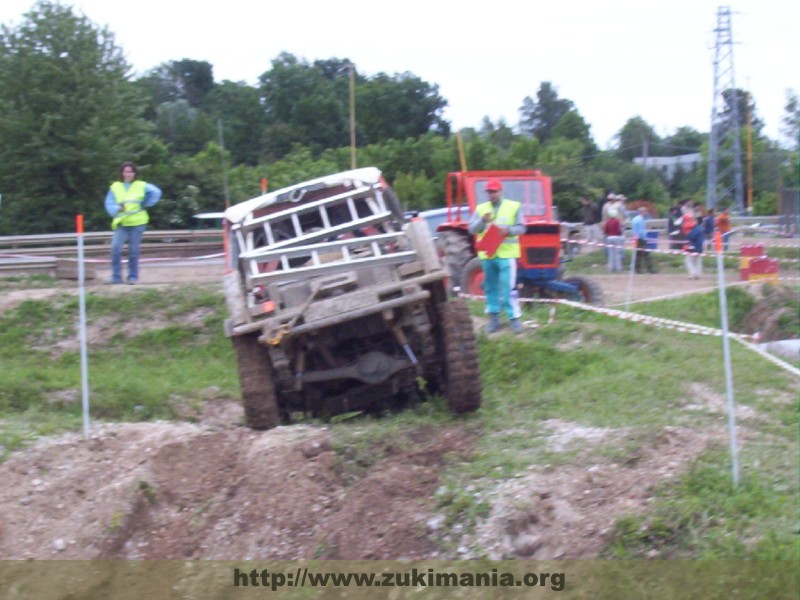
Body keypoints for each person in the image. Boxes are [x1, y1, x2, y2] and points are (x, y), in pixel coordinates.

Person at [468, 179, 525, 334]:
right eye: (489, 192)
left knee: (508, 288)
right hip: (488, 255)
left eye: (494, 191)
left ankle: (514, 319)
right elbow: (472, 229)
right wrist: (482, 220)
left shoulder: (513, 206)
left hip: (506, 255)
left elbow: (522, 227)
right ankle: (494, 320)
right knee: (490, 287)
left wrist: (509, 231)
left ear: (500, 191)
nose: (492, 194)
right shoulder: (481, 209)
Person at [104, 161, 162, 284]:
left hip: (137, 222)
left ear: (134, 173)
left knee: (133, 251)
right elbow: (109, 203)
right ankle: (116, 277)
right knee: (115, 248)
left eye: (131, 171)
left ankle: (133, 277)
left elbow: (156, 192)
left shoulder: (141, 185)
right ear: (122, 173)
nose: (128, 173)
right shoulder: (115, 186)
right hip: (122, 222)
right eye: (126, 171)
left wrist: (145, 203)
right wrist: (117, 209)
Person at [631, 206, 656, 274]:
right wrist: (646, 236)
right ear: (643, 212)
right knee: (646, 254)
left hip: (635, 238)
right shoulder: (641, 219)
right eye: (645, 211)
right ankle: (650, 269)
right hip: (641, 239)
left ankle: (637, 269)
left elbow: (634, 230)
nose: (646, 213)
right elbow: (641, 231)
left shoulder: (634, 219)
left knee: (637, 255)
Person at [603, 208, 624, 272]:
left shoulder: (607, 221)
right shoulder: (617, 221)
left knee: (611, 254)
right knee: (617, 253)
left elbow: (605, 231)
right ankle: (618, 268)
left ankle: (611, 268)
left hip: (609, 238)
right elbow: (619, 230)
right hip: (616, 237)